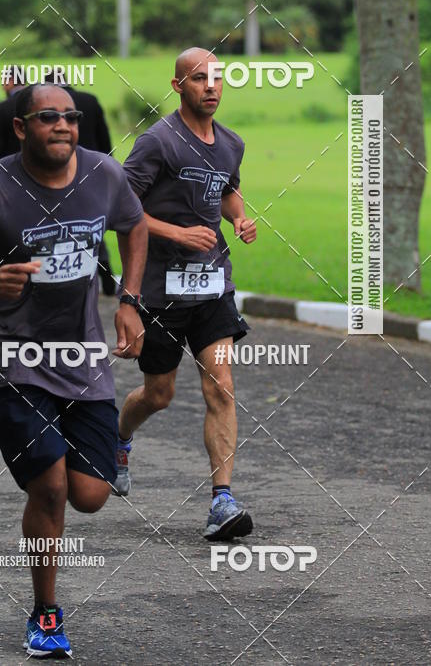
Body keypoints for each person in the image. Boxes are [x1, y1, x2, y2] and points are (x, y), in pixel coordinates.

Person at [0, 83, 147, 657]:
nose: (63, 126)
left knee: (89, 495)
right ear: (21, 129)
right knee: (51, 485)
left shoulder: (103, 174)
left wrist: (129, 300)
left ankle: (115, 444)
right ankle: (45, 615)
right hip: (14, 361)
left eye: (70, 117)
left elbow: (134, 226)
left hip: (82, 360)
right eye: (48, 118)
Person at [114, 47, 257, 542]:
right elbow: (122, 207)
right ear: (179, 86)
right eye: (199, 79)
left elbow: (226, 189)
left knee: (220, 384)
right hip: (160, 291)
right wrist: (176, 233)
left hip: (213, 285)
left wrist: (237, 217)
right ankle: (120, 437)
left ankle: (222, 501)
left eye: (217, 78)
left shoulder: (231, 143)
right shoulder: (157, 142)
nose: (211, 87)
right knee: (159, 394)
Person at [0, 72, 117, 295]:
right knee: (88, 227)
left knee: (36, 228)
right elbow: (105, 143)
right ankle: (104, 277)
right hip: (87, 176)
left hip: (27, 181)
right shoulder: (90, 100)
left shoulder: (5, 108)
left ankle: (35, 277)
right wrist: (105, 173)